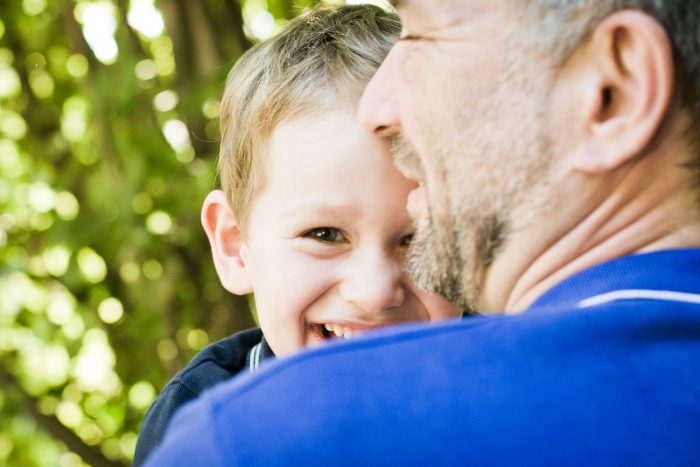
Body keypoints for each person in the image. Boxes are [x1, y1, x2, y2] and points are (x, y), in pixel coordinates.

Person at [145, 1, 700, 465]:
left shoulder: (244, 443)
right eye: (323, 233)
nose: (381, 107)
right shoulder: (200, 409)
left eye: (426, 35)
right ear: (234, 244)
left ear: (611, 89)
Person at [133, 5, 461, 465]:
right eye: (325, 234)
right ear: (234, 245)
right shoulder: (200, 422)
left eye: (419, 237)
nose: (374, 291)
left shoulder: (520, 386)